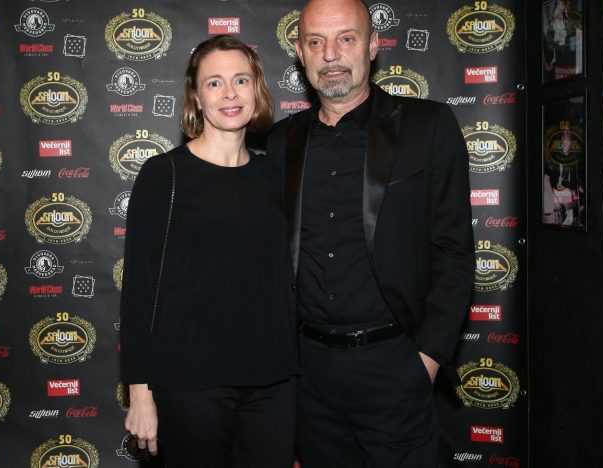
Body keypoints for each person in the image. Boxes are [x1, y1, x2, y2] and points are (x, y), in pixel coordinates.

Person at [266, 0, 475, 466]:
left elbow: (455, 252)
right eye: (316, 41)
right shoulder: (281, 141)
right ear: (300, 52)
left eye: (347, 38)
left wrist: (426, 361)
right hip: (309, 378)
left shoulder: (428, 126)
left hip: (395, 367)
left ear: (373, 45)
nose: (331, 54)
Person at [120, 35, 297, 468]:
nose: (230, 93)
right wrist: (140, 393)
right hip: (190, 384)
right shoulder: (165, 175)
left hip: (274, 383)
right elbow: (140, 290)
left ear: (257, 89)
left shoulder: (276, 175)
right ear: (197, 97)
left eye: (241, 80)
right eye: (214, 83)